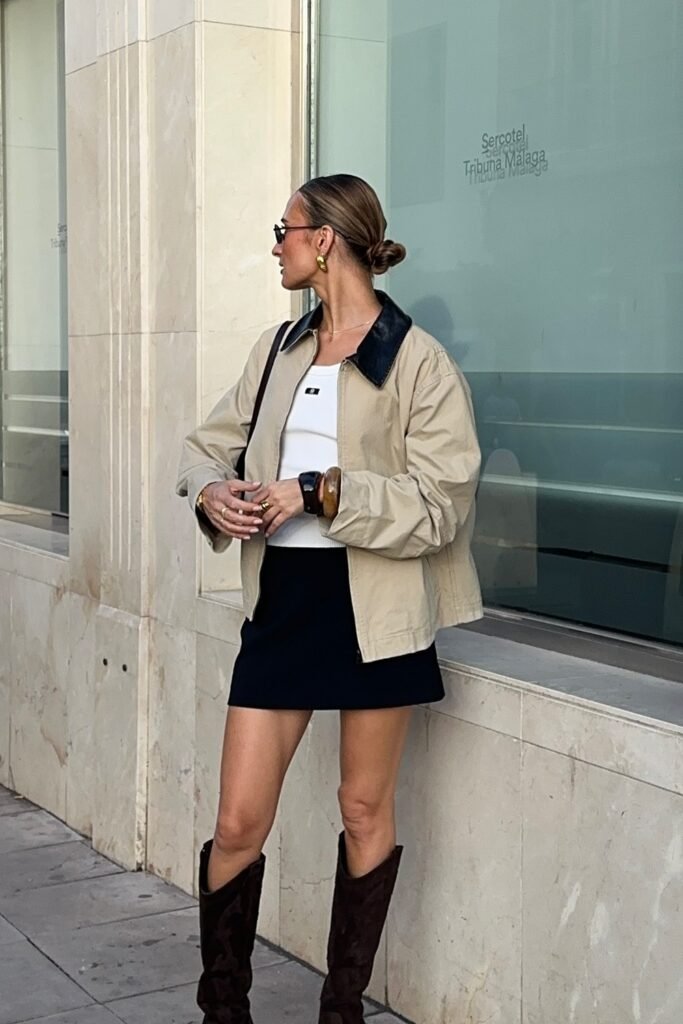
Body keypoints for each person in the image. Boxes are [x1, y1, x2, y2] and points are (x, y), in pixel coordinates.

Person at [176, 173, 482, 1023]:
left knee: (360, 809)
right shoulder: (278, 349)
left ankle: (340, 1010)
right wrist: (211, 493)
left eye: (286, 228)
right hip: (283, 607)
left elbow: (442, 503)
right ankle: (223, 1009)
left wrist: (317, 492)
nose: (275, 243)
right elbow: (206, 447)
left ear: (325, 242)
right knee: (237, 822)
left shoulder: (416, 361)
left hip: (374, 612)